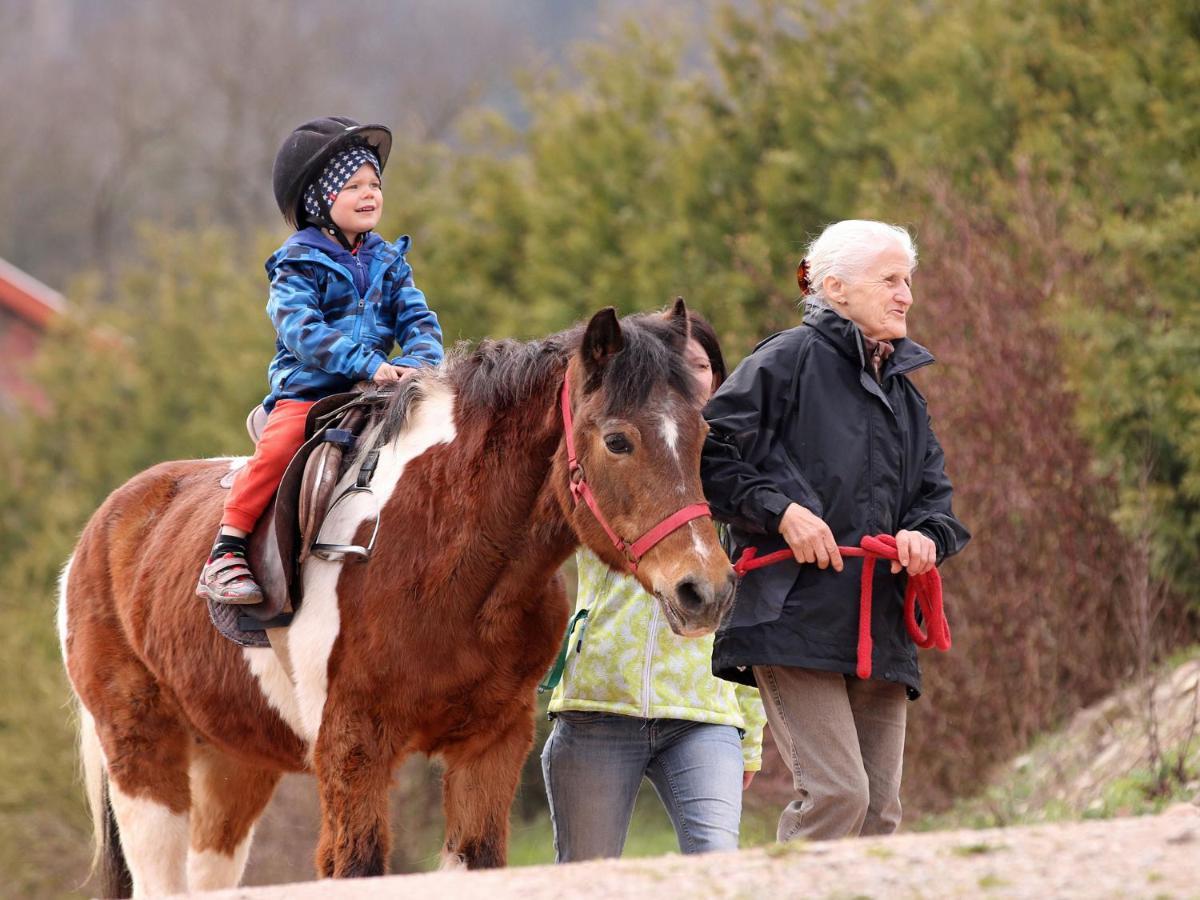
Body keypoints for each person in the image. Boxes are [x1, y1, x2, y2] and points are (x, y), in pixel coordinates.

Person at [700, 220, 970, 843]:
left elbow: (938, 502)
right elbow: (706, 457)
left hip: (881, 619)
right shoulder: (783, 361)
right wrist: (780, 513)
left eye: (908, 280)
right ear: (836, 287)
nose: (906, 294)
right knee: (836, 796)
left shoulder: (906, 395)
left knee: (879, 815)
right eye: (890, 280)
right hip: (790, 613)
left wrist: (925, 536)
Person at [540, 310, 767, 862]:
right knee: (585, 879)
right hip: (600, 705)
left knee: (718, 865)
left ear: (715, 376)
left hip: (704, 712)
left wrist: (752, 734)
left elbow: (752, 608)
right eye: (678, 366)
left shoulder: (743, 475)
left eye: (700, 365)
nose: (689, 376)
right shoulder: (611, 449)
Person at [196, 117, 444, 605]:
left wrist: (418, 360)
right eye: (353, 186)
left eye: (374, 183)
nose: (369, 193)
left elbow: (419, 319)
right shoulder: (297, 263)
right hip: (310, 390)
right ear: (320, 201)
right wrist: (366, 363)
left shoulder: (389, 261)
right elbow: (301, 330)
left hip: (380, 388)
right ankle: (227, 549)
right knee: (281, 446)